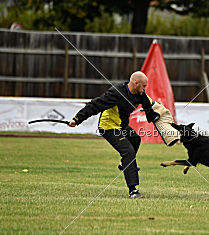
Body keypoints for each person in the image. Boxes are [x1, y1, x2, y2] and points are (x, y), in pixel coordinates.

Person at [68, 71, 159, 199]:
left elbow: (148, 107)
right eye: (144, 86)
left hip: (121, 125)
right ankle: (133, 191)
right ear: (136, 83)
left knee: (135, 139)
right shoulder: (116, 93)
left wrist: (154, 118)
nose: (145, 89)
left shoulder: (140, 94)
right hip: (108, 127)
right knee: (128, 152)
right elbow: (95, 105)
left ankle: (125, 164)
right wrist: (77, 119)